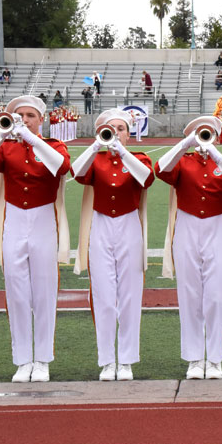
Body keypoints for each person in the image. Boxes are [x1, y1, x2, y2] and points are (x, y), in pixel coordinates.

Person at [0, 95, 71, 383]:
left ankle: (42, 359)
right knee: (16, 290)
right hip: (14, 220)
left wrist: (31, 137)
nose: (24, 119)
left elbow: (61, 166)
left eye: (30, 115)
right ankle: (22, 360)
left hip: (43, 220)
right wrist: (3, 133)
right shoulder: (7, 148)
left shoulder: (53, 145)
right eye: (20, 115)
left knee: (44, 291)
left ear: (41, 119)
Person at [155, 116, 222, 380]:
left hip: (218, 227)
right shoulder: (183, 161)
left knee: (218, 295)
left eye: (207, 133)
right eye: (198, 134)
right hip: (187, 227)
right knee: (190, 295)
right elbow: (160, 170)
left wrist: (215, 154)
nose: (203, 138)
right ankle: (195, 358)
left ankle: (215, 358)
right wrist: (186, 143)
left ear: (218, 137)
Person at [72, 109, 155, 381]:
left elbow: (147, 178)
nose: (116, 133)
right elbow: (75, 172)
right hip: (101, 225)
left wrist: (121, 150)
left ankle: (127, 360)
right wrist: (98, 144)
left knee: (130, 295)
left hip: (129, 224)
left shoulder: (138, 158)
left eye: (121, 128)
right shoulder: (96, 158)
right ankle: (107, 360)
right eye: (111, 129)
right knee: (104, 295)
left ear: (129, 134)